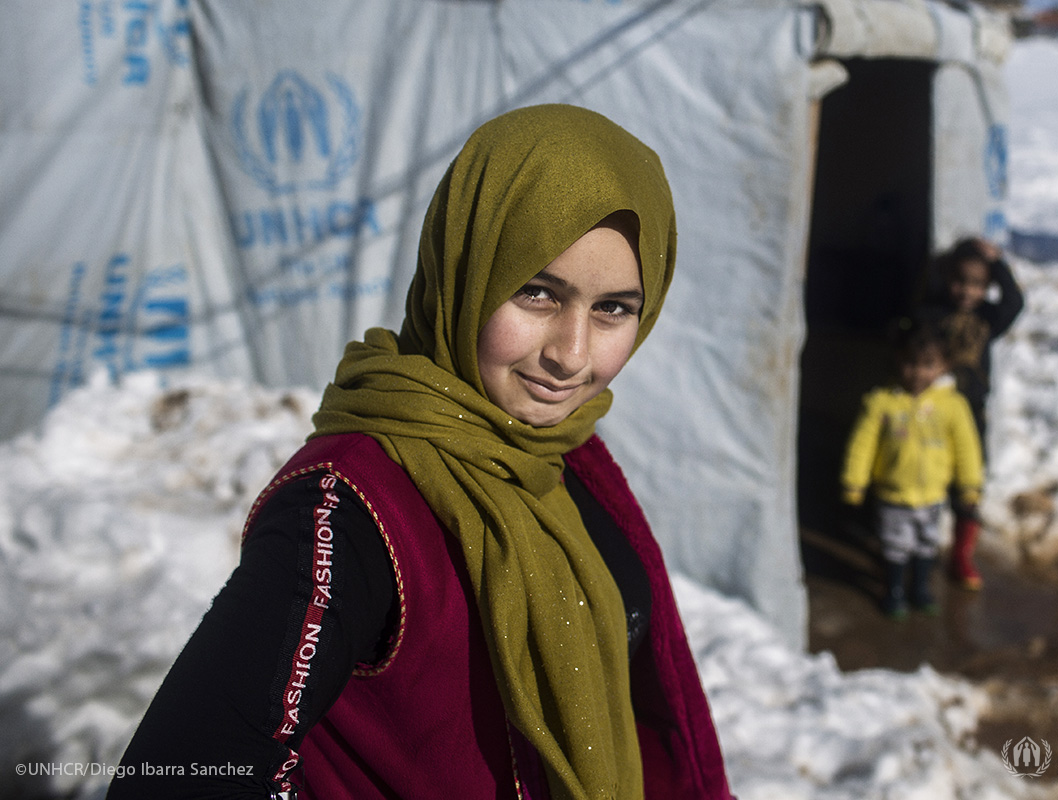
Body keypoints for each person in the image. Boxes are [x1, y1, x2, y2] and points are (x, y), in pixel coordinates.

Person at [108, 104, 734, 800]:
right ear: (463, 268)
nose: (571, 354)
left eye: (613, 308)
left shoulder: (562, 458)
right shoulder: (350, 506)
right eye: (535, 292)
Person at [841, 321, 983, 618]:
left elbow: (967, 447)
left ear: (944, 366)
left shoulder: (953, 406)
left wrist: (970, 485)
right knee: (895, 546)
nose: (918, 373)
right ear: (898, 361)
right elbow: (862, 444)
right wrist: (854, 481)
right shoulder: (882, 402)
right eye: (910, 364)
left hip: (933, 496)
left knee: (927, 545)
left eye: (928, 365)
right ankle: (893, 589)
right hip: (893, 495)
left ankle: (920, 587)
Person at [921, 236, 1024, 590]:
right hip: (933, 414)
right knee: (929, 475)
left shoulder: (988, 318)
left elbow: (1015, 301)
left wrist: (997, 263)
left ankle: (962, 554)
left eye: (977, 284)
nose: (966, 291)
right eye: (959, 281)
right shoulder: (933, 315)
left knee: (968, 482)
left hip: (971, 417)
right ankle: (921, 547)